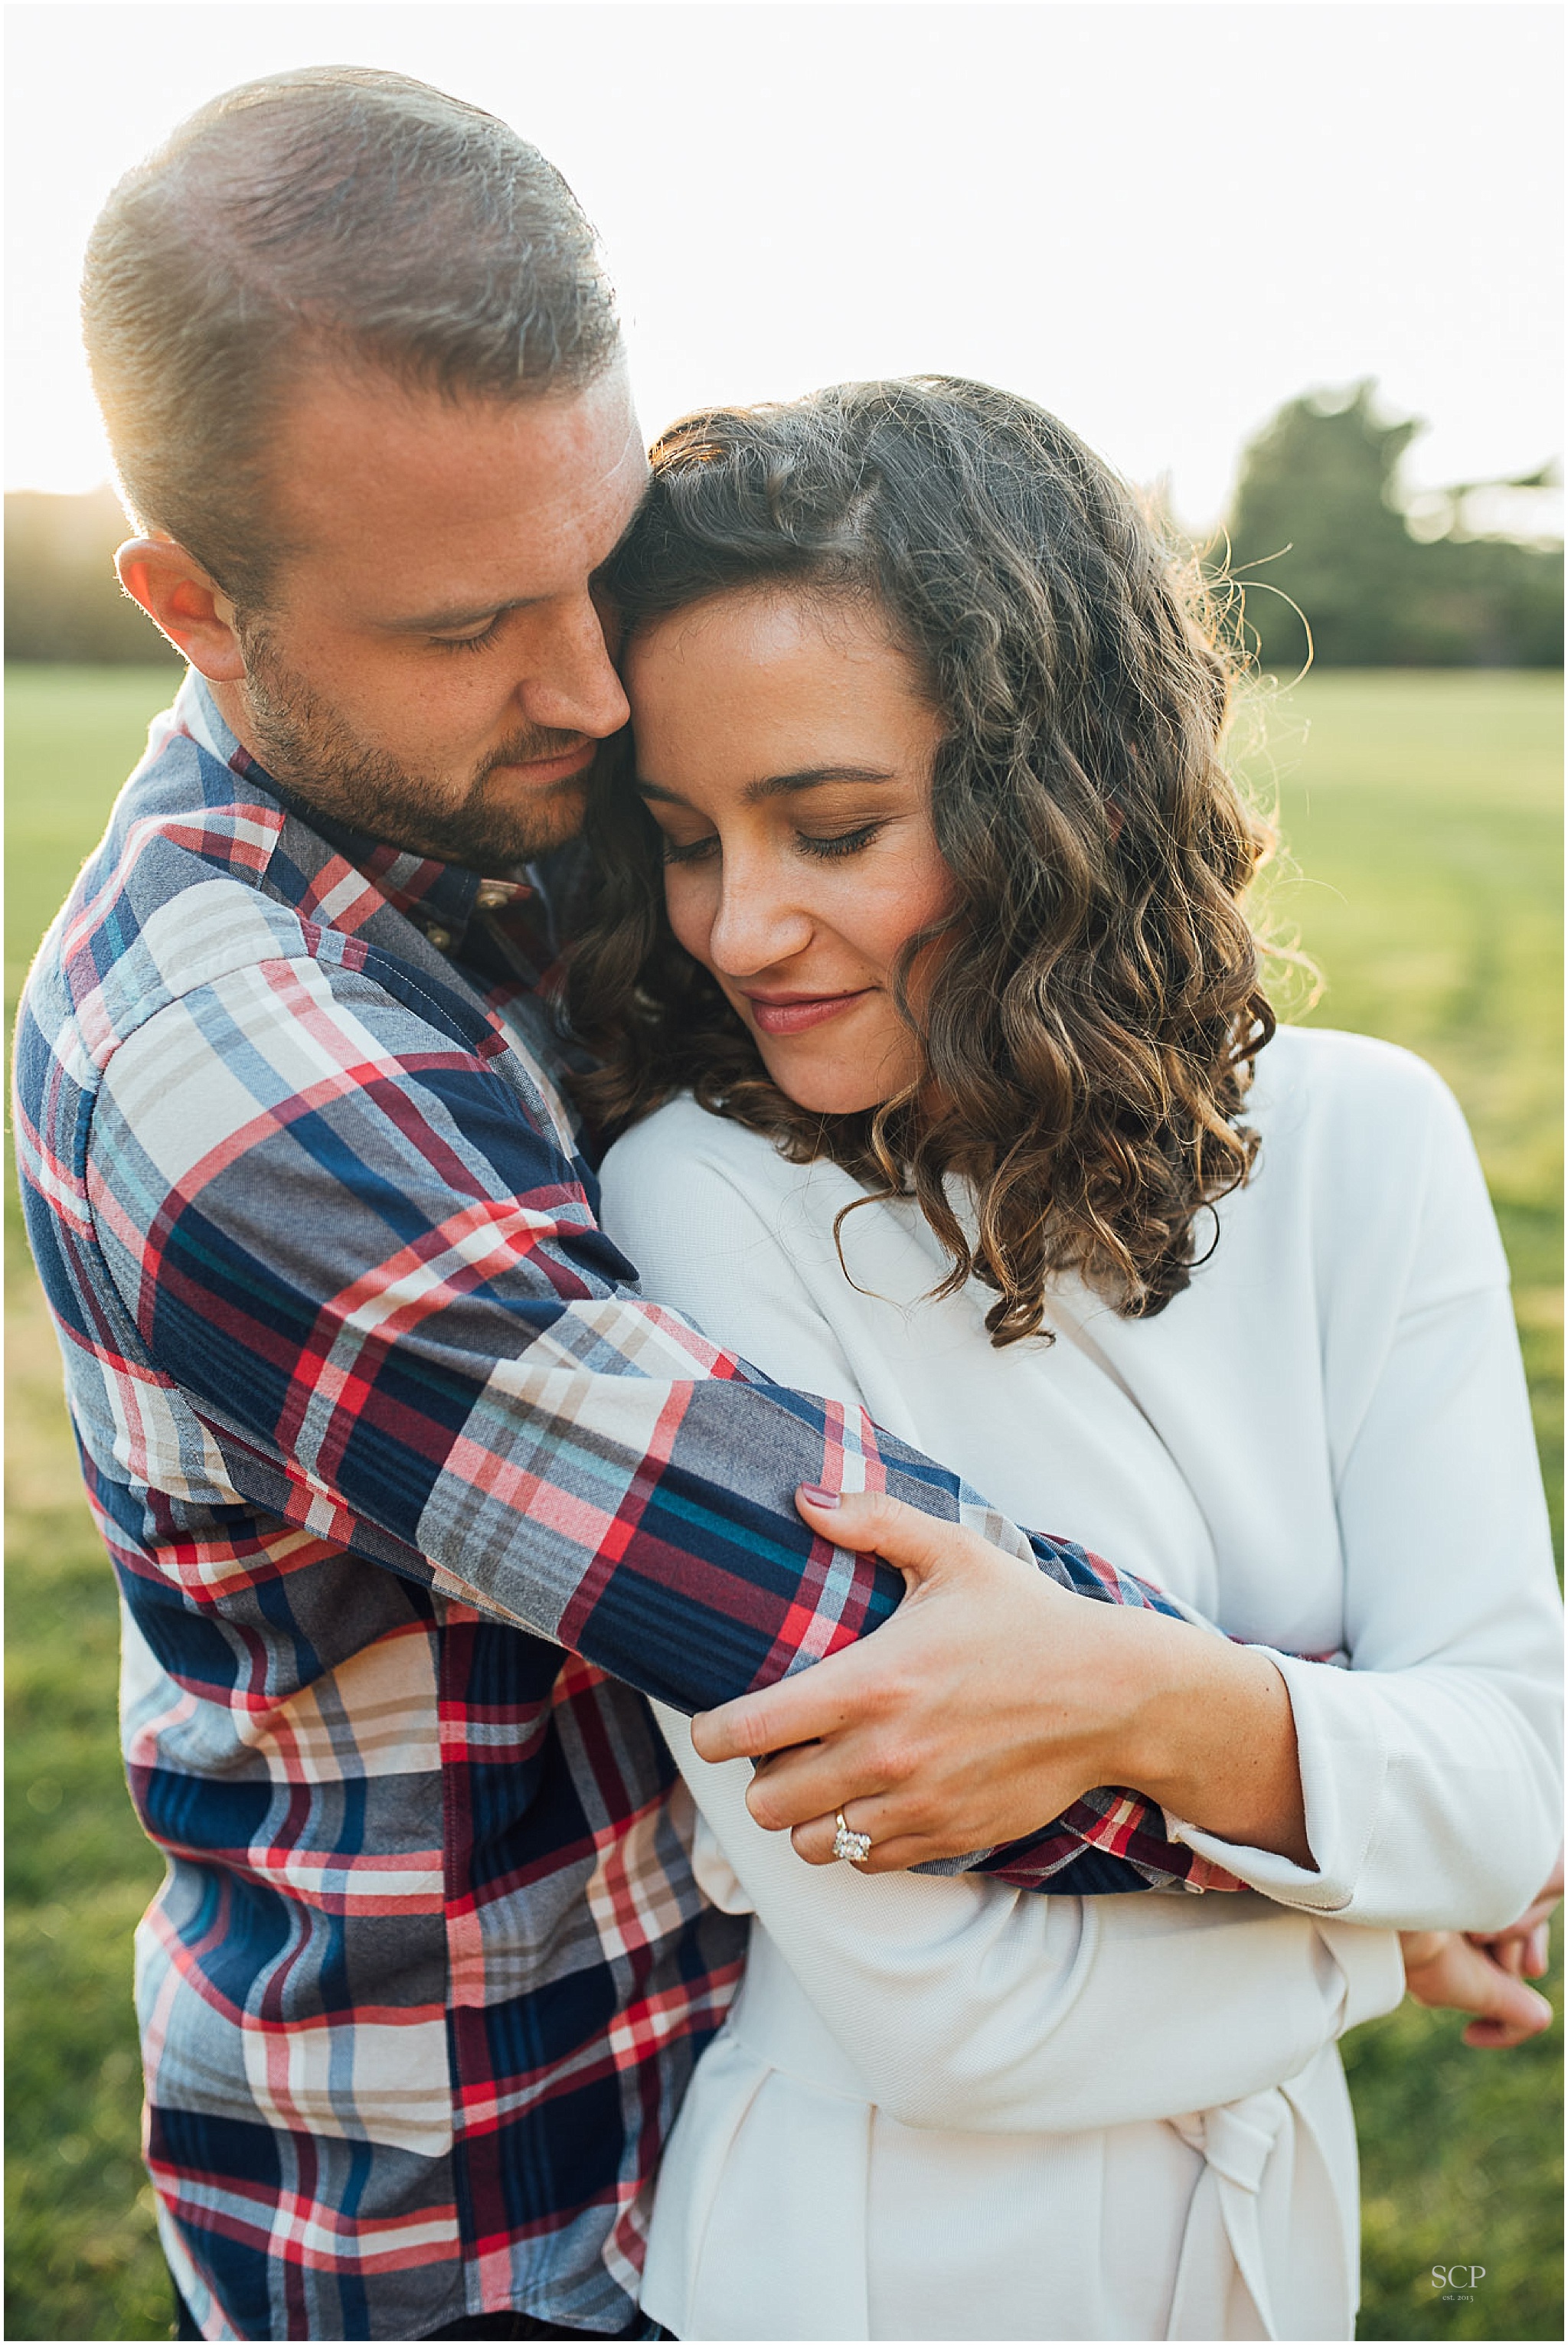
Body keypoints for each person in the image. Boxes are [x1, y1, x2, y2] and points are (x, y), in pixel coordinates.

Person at [11, 67, 1424, 2343]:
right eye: (474, 622)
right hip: (484, 2221)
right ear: (188, 603)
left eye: (596, 564)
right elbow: (845, 1632)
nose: (587, 684)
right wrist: (1375, 1795)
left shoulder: (526, 790)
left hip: (769, 2130)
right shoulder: (228, 1066)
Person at [564, 379, 1565, 2340]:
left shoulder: (1364, 1139)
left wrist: (1133, 1693)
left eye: (834, 826)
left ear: (1070, 795)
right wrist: (1381, 1889)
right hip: (860, 2256)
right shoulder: (700, 1204)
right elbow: (955, 2014)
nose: (742, 925)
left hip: (1270, 2247)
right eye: (685, 840)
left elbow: (1519, 1772)